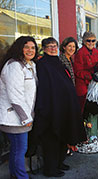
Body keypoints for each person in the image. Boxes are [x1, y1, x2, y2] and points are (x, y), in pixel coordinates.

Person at [33, 37, 86, 177]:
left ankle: (59, 162)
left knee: (63, 135)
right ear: (44, 49)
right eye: (49, 46)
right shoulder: (42, 64)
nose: (52, 48)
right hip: (52, 107)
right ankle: (50, 169)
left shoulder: (58, 62)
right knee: (51, 139)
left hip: (64, 106)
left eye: (54, 46)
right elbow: (45, 88)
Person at [0, 36, 38, 179]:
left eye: (33, 47)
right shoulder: (14, 65)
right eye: (26, 47)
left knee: (17, 149)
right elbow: (15, 96)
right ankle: (22, 177)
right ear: (19, 48)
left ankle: (15, 175)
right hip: (14, 118)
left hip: (22, 117)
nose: (30, 50)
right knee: (19, 149)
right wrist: (25, 118)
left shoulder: (28, 65)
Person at [73, 32, 98, 113]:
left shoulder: (95, 51)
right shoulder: (80, 53)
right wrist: (91, 76)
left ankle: (91, 123)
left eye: (93, 41)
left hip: (93, 81)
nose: (91, 43)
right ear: (83, 41)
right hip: (82, 83)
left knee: (95, 103)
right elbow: (78, 71)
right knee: (83, 105)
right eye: (88, 41)